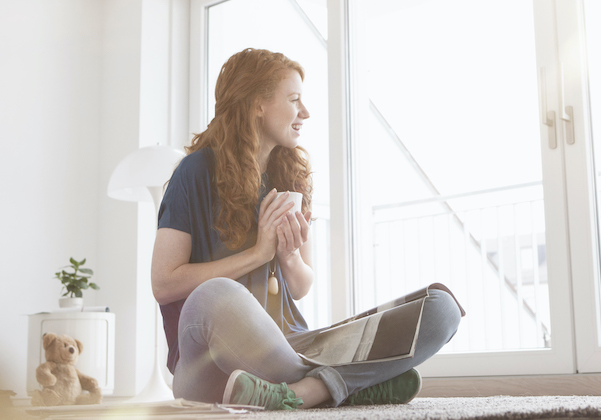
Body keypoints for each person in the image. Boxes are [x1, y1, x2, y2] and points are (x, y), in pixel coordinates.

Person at [150, 47, 462, 410]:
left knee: (442, 308)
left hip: (294, 344)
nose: (305, 113)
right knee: (214, 294)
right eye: (294, 99)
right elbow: (164, 283)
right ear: (257, 104)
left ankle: (305, 392)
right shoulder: (194, 172)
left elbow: (300, 287)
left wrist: (289, 255)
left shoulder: (289, 177)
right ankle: (346, 384)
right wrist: (258, 254)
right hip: (211, 364)